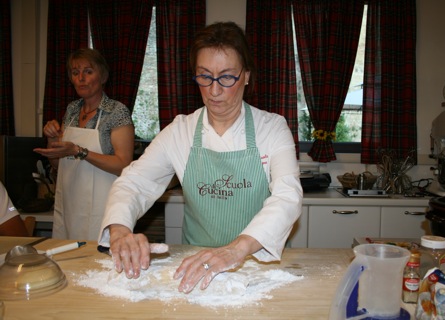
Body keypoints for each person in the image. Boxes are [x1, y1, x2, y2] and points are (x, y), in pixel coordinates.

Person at [99, 21, 303, 293]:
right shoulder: (179, 132)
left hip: (258, 268)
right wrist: (120, 230)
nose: (214, 90)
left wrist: (236, 249)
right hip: (193, 267)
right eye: (204, 76)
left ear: (246, 76)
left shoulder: (272, 128)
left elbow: (287, 196)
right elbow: (133, 183)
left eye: (227, 77)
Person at [34, 48, 135, 241]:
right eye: (75, 72)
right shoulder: (71, 110)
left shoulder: (116, 111)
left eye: (88, 72)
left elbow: (123, 165)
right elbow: (59, 165)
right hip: (70, 207)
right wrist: (53, 140)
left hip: (102, 207)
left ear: (103, 76)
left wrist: (79, 151)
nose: (81, 78)